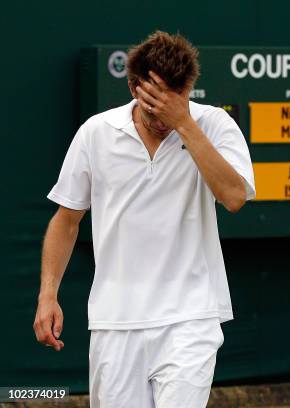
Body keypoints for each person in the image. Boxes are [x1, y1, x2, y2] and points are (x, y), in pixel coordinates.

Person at [32, 31, 255, 407]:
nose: (163, 117)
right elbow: (67, 219)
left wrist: (184, 123)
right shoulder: (96, 133)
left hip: (191, 319)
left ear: (188, 91)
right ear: (134, 88)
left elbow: (234, 197)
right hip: (114, 323)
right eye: (154, 104)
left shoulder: (213, 124)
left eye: (176, 100)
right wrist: (47, 293)